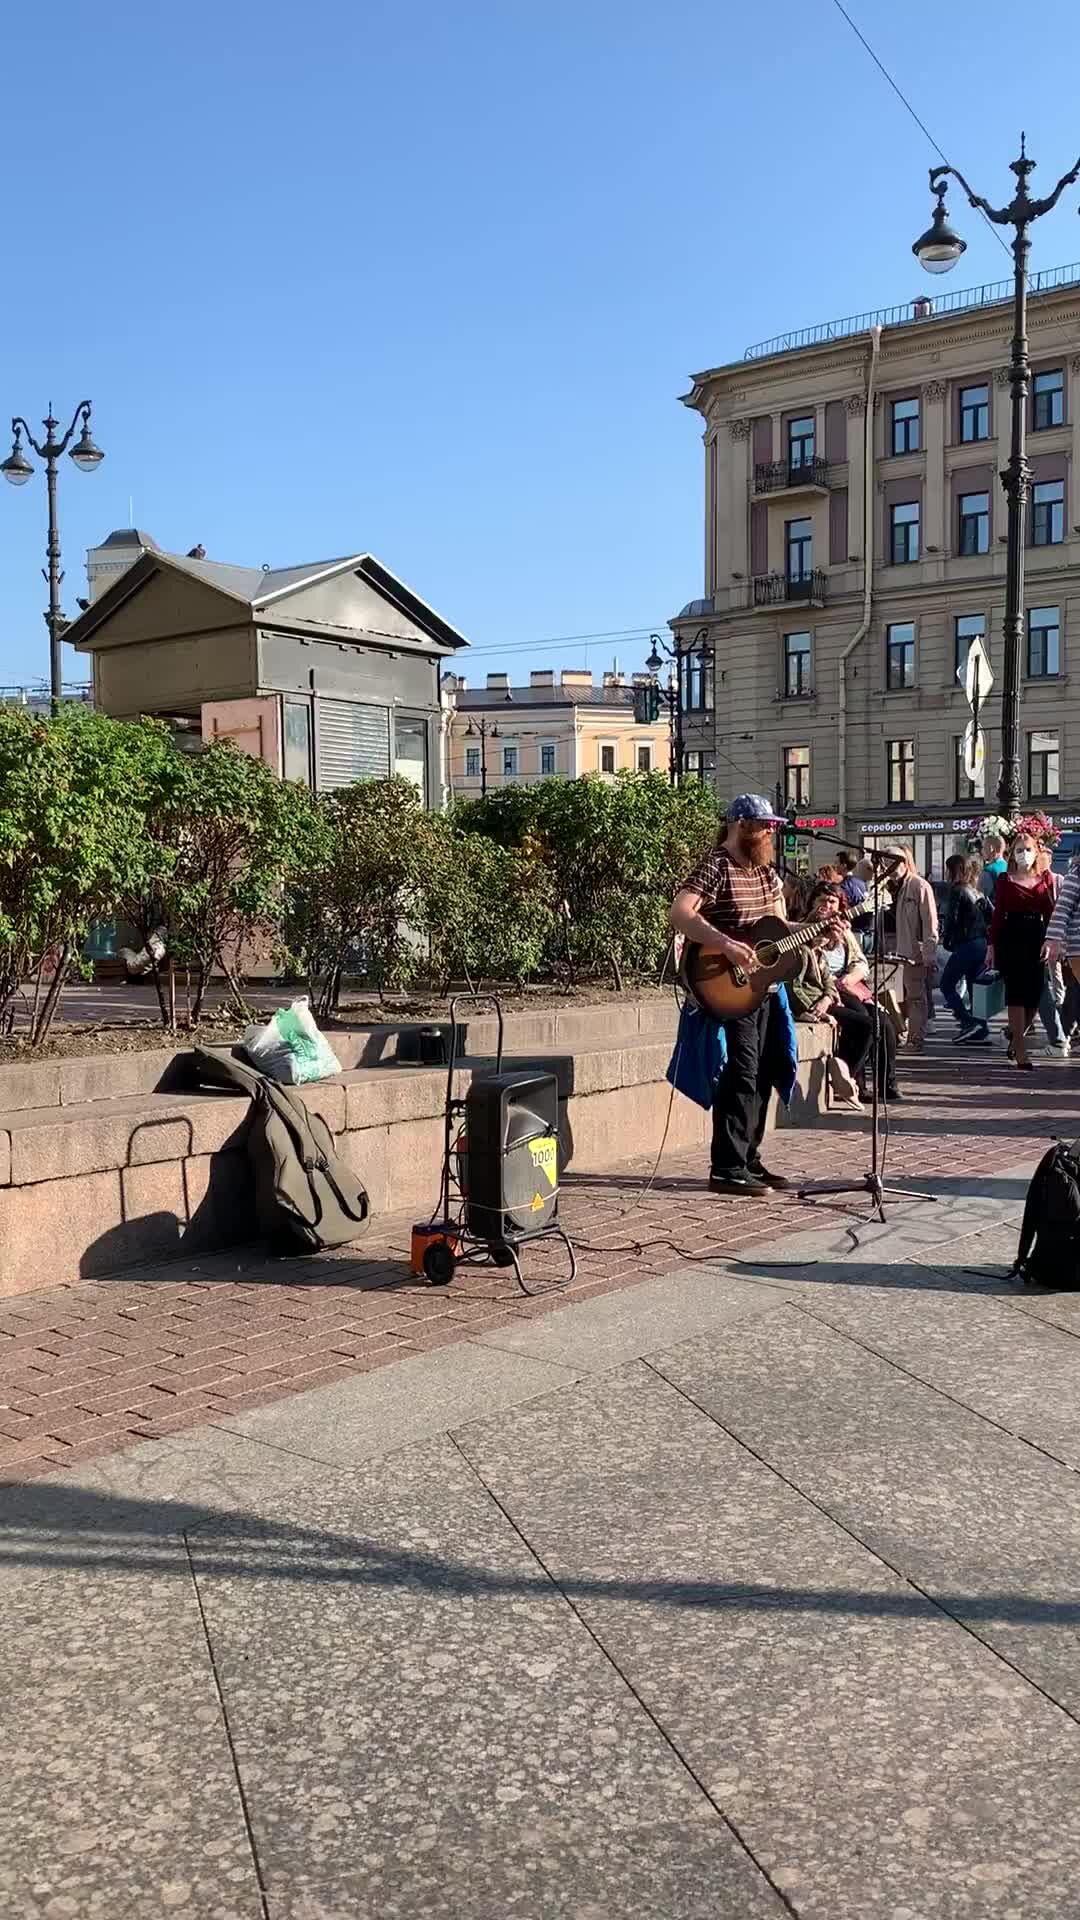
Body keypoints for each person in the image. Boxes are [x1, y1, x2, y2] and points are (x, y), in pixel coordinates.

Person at [670, 793, 838, 1197]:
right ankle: (726, 1166)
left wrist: (815, 930)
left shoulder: (764, 873)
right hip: (729, 985)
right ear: (740, 825)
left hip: (764, 987)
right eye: (764, 826)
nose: (771, 833)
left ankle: (749, 1158)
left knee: (764, 1072)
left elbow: (777, 931)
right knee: (740, 1073)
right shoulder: (716, 865)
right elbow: (680, 913)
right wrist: (726, 944)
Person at [789, 882, 900, 1104]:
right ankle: (853, 1080)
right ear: (813, 903)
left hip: (848, 985)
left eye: (832, 902)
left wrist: (850, 977)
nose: (827, 906)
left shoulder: (845, 931)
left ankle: (887, 1084)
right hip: (827, 991)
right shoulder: (807, 930)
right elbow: (811, 971)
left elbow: (860, 962)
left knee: (885, 1022)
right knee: (867, 1022)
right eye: (822, 901)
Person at [987, 828, 1056, 1071]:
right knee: (1016, 996)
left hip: (1036, 936)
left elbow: (1050, 913)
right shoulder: (1005, 880)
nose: (1024, 854)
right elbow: (997, 915)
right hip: (1011, 937)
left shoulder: (1045, 878)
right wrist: (992, 946)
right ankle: (1021, 1051)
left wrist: (1053, 940)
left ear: (1036, 852)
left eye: (1028, 849)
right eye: (1019, 850)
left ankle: (1015, 1039)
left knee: (1034, 997)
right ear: (1012, 854)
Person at [890, 847, 939, 1052]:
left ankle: (916, 1039)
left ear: (905, 862)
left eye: (893, 864)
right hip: (895, 952)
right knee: (897, 997)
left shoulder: (919, 886)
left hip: (913, 953)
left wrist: (928, 952)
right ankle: (901, 1034)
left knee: (916, 997)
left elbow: (930, 922)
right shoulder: (892, 886)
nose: (889, 869)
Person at [940, 853, 990, 1044]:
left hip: (966, 943)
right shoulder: (977, 891)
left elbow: (951, 919)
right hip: (981, 944)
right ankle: (981, 1028)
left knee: (947, 984)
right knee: (972, 987)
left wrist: (947, 940)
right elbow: (989, 916)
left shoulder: (957, 890)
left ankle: (968, 1021)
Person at [980, 833, 1008, 905]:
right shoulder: (1009, 867)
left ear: (991, 848)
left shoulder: (989, 871)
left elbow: (981, 897)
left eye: (983, 847)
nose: (982, 851)